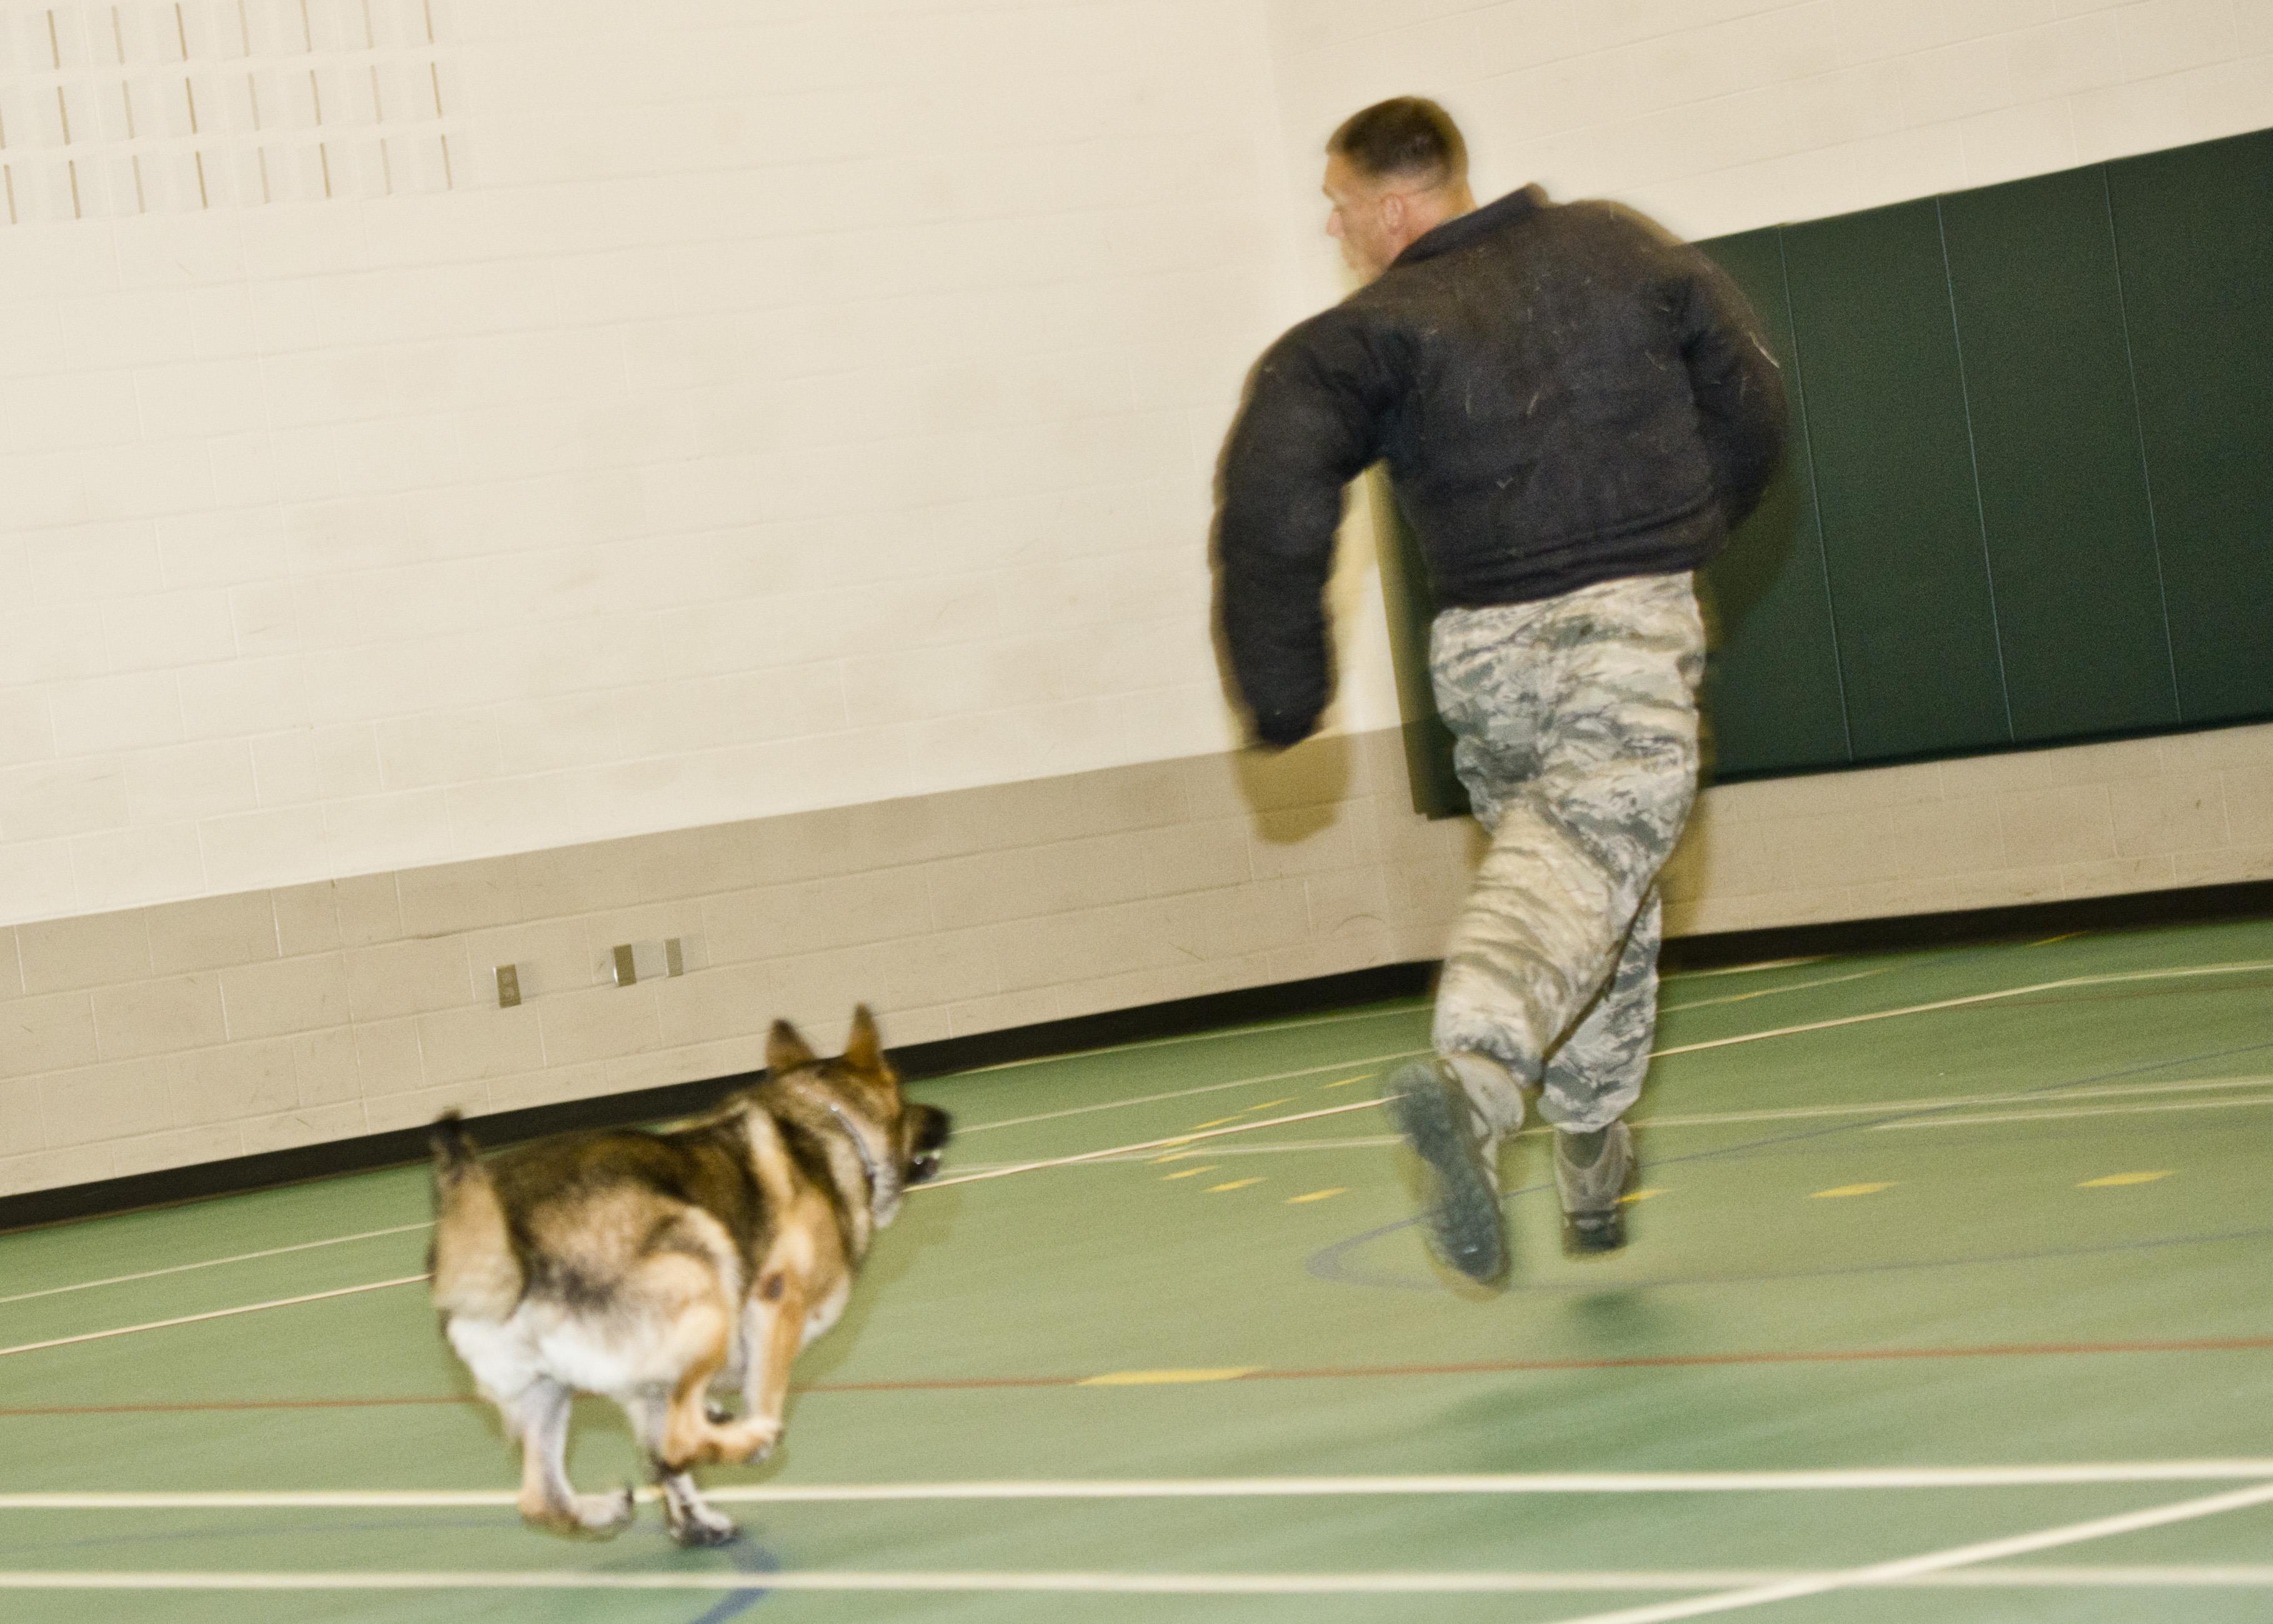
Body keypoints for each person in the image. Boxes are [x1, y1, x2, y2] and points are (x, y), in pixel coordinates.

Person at [1213, 97, 1786, 1283]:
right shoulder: (1620, 244)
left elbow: (1273, 484)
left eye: (1335, 204)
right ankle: (1476, 1081)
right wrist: (1682, 534)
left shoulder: (1366, 332)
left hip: (1482, 658)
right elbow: (1751, 400)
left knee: (1588, 880)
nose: (1332, 227)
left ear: (1392, 205)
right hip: (1624, 621)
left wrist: (1282, 690)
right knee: (1588, 858)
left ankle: (1590, 1151)